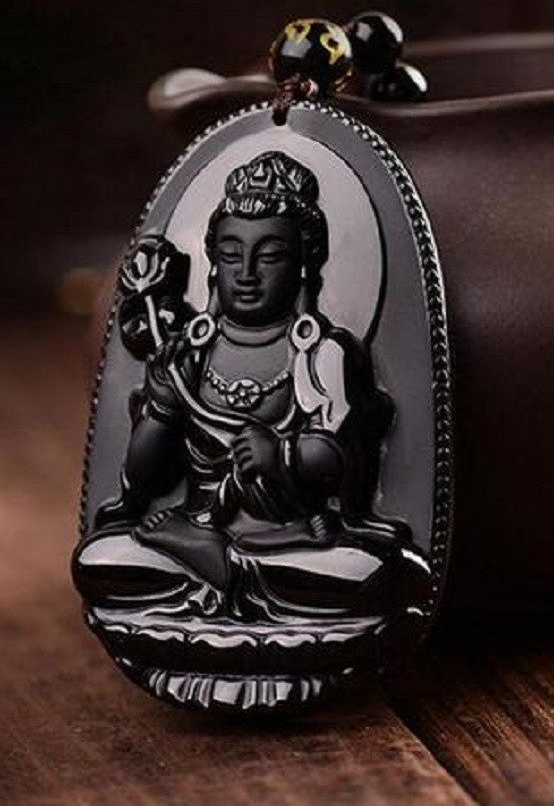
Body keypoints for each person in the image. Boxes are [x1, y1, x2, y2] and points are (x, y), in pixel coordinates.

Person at [73, 151, 420, 621]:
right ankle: (215, 562)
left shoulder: (322, 352)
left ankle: (220, 568)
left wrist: (282, 454)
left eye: (269, 256)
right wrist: (163, 406)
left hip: (289, 539)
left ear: (303, 263)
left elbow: (343, 456)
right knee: (98, 559)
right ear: (213, 264)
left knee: (369, 573)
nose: (247, 273)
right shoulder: (190, 354)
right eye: (232, 255)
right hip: (191, 525)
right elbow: (143, 478)